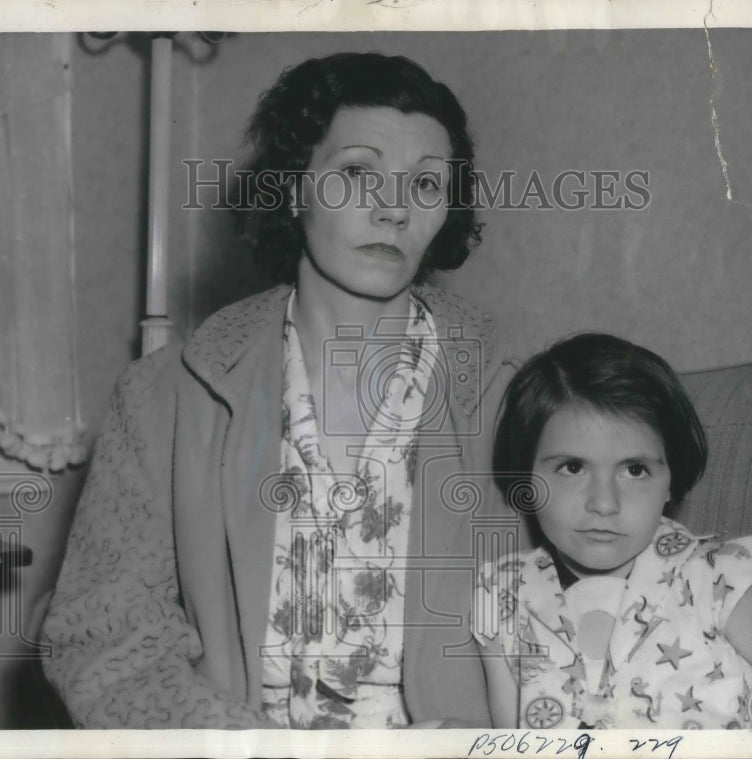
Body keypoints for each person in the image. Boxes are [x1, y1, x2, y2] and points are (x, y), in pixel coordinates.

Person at [40, 52, 517, 729]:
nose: (393, 209)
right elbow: (103, 642)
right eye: (358, 172)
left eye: (427, 184)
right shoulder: (162, 399)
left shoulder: (514, 397)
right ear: (294, 189)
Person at [475, 333, 752, 729]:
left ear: (671, 479)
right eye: (572, 467)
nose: (604, 503)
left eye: (635, 470)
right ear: (525, 475)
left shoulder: (719, 580)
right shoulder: (504, 597)